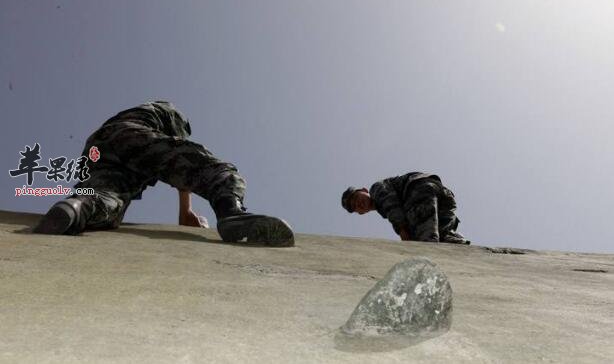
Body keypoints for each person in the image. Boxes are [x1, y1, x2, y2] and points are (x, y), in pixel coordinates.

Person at [33, 101, 294, 247]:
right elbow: (180, 166)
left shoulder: (132, 111)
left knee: (110, 193)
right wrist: (186, 212)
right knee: (214, 170)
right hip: (131, 134)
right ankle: (231, 212)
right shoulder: (168, 112)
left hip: (98, 146)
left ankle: (79, 206)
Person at [341, 172, 470, 244]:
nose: (358, 203)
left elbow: (390, 203)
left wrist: (401, 228)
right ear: (361, 213)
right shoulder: (384, 209)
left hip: (418, 190)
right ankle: (455, 242)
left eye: (357, 198)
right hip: (443, 198)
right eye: (355, 206)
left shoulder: (376, 189)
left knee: (423, 243)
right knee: (443, 236)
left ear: (364, 190)